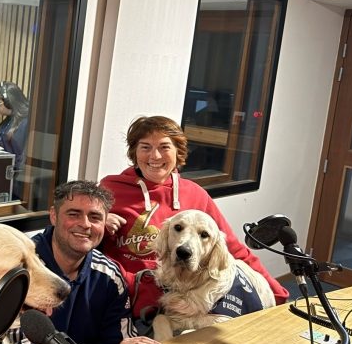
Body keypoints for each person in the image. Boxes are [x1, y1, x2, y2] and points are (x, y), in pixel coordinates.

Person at [99, 115, 288, 326]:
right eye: (145, 147)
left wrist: (277, 294)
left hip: (183, 295)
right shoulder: (110, 189)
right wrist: (100, 222)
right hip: (126, 295)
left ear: (177, 152)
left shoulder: (194, 194)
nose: (155, 155)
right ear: (134, 152)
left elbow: (233, 249)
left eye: (164, 147)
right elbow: (83, 239)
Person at [15, 180, 164, 344]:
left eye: (94, 217)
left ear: (104, 224)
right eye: (73, 214)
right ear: (53, 215)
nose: (85, 224)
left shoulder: (111, 276)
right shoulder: (21, 268)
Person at [0, 81, 29, 199]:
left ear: (8, 102)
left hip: (16, 184)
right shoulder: (9, 120)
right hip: (2, 178)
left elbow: (22, 159)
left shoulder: (26, 123)